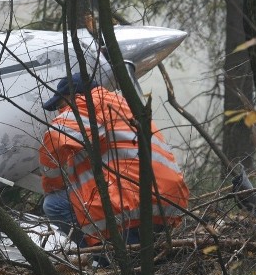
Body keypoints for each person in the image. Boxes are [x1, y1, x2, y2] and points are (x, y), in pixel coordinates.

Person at [39, 73, 190, 248]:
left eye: (61, 105)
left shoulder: (90, 104)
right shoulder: (122, 104)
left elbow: (54, 139)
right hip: (166, 201)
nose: (61, 112)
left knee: (53, 204)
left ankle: (103, 258)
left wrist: (52, 185)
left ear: (73, 96)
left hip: (133, 202)